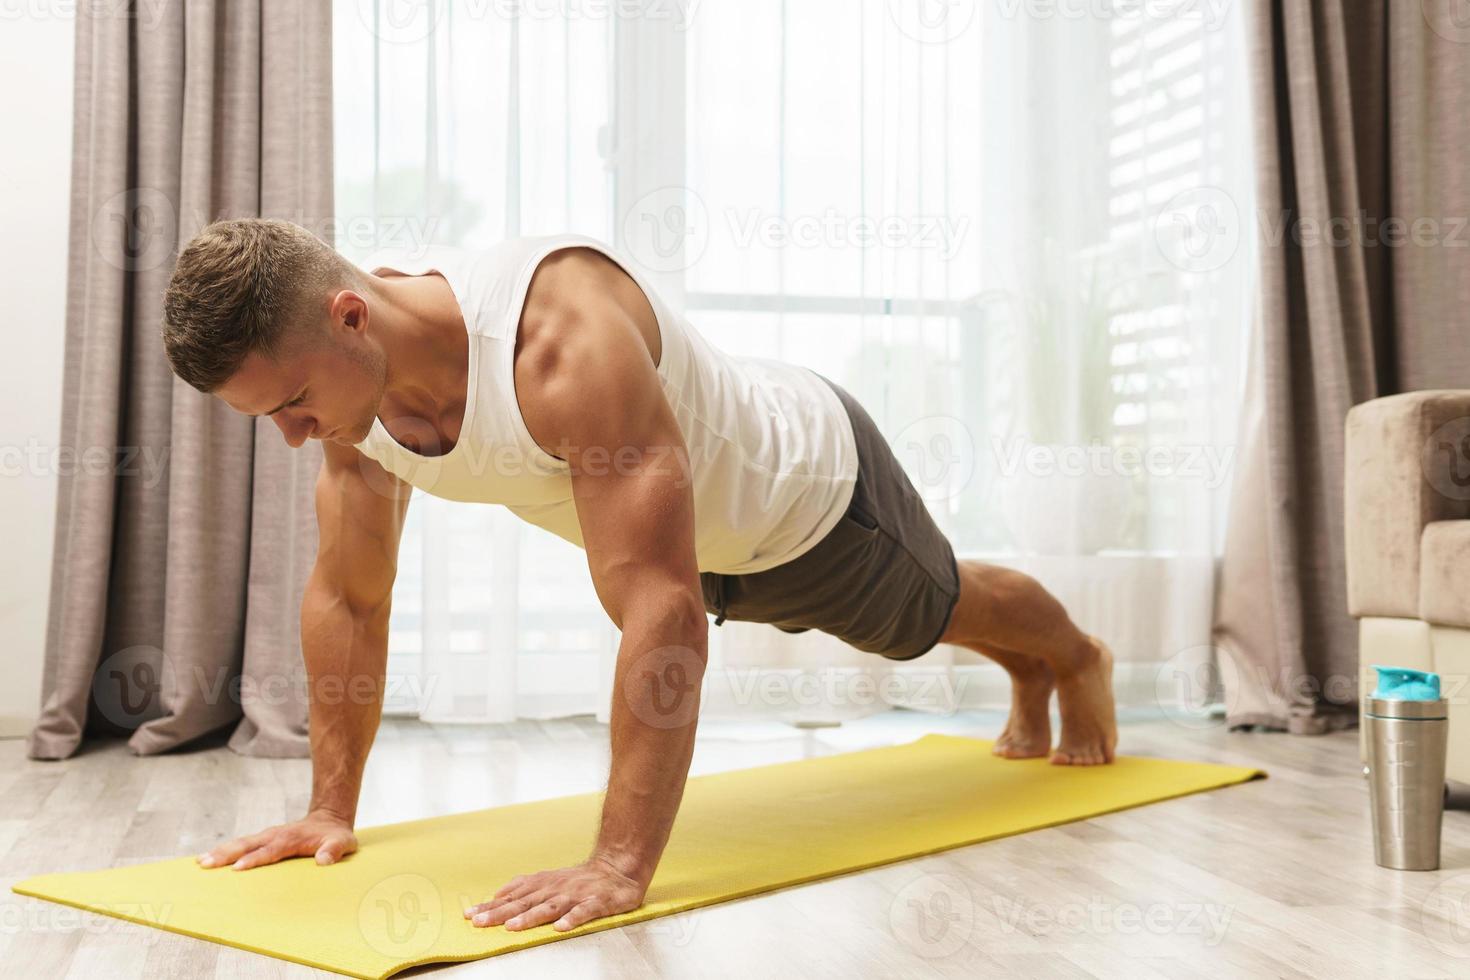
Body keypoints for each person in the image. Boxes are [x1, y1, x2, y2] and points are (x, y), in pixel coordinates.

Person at [163, 218, 1117, 935]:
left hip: (808, 498)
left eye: (291, 404)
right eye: (270, 419)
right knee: (916, 620)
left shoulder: (559, 336)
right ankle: (1031, 672)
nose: (291, 434)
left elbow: (658, 606)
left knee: (931, 610)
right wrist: (331, 807)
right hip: (697, 547)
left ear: (352, 317)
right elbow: (348, 595)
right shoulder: (352, 409)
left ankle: (1072, 659)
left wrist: (619, 864)